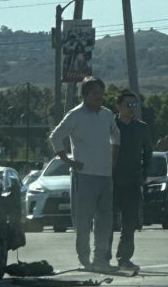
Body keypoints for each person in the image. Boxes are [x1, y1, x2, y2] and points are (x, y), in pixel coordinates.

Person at [48, 77, 119, 272]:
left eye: (101, 92)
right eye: (95, 93)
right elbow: (55, 137)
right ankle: (85, 260)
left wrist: (112, 159)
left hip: (105, 176)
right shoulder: (76, 115)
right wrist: (68, 161)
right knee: (83, 220)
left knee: (105, 221)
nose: (99, 96)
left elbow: (116, 136)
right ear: (85, 95)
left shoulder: (107, 114)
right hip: (84, 175)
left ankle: (101, 260)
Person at [111, 90, 151, 274]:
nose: (132, 108)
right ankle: (102, 258)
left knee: (129, 223)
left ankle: (124, 259)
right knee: (107, 222)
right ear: (118, 106)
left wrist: (144, 174)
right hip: (111, 181)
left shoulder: (141, 128)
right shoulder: (110, 125)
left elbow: (148, 153)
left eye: (135, 104)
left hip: (133, 182)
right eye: (128, 104)